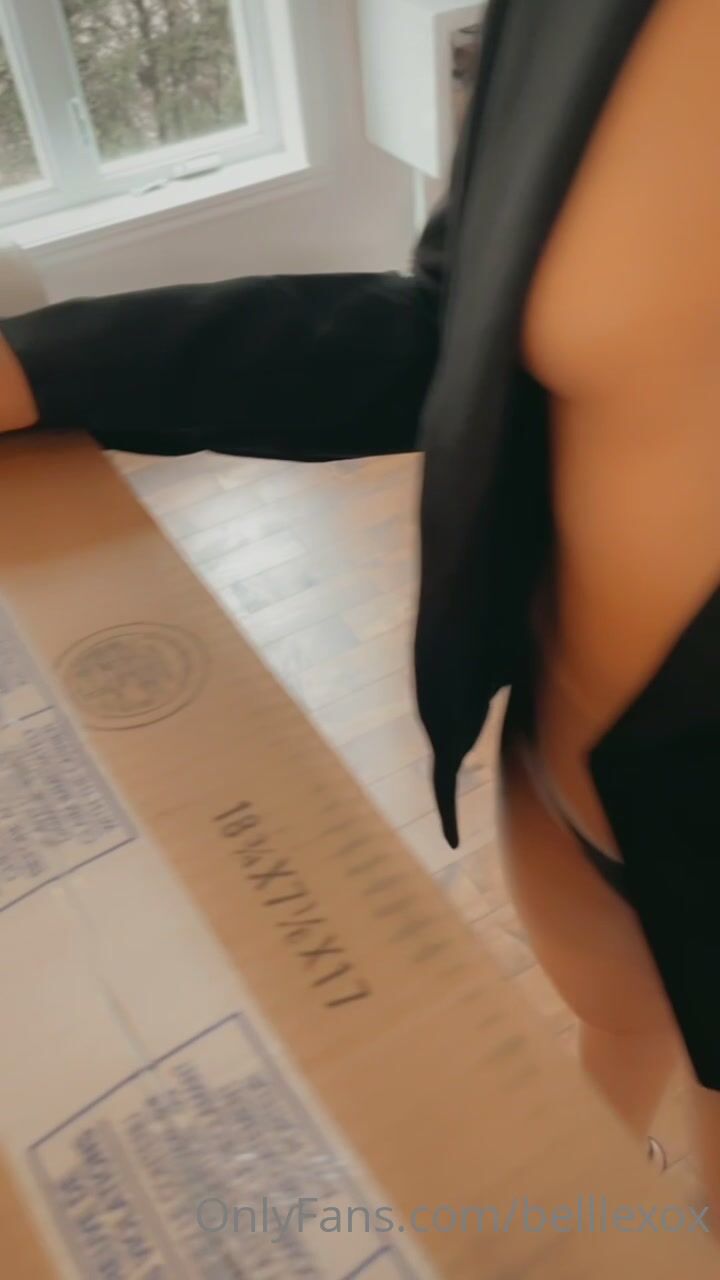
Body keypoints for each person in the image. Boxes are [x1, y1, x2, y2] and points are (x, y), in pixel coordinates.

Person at [1, 0, 718, 1221]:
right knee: (606, 1049)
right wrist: (44, 364)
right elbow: (447, 328)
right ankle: (599, 1204)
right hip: (563, 767)